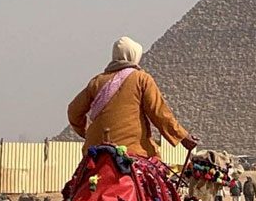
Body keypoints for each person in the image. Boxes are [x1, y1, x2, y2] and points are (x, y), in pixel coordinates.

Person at [66, 36, 197, 158]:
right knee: (159, 177)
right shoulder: (141, 79)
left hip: (95, 152)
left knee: (79, 180)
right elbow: (159, 113)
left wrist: (89, 134)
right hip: (132, 151)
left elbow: (73, 111)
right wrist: (182, 137)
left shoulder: (96, 82)